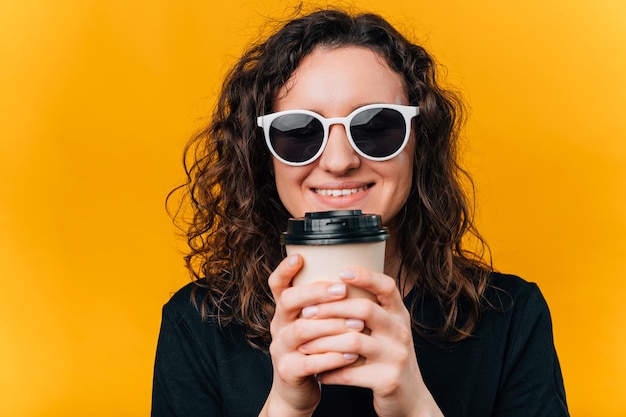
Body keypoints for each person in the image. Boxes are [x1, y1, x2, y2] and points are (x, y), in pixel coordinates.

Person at [151, 8, 569, 417]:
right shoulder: (199, 322)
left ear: (418, 144)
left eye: (375, 127)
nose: (338, 160)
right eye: (299, 131)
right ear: (265, 155)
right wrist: (285, 406)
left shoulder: (510, 315)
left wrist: (413, 407)